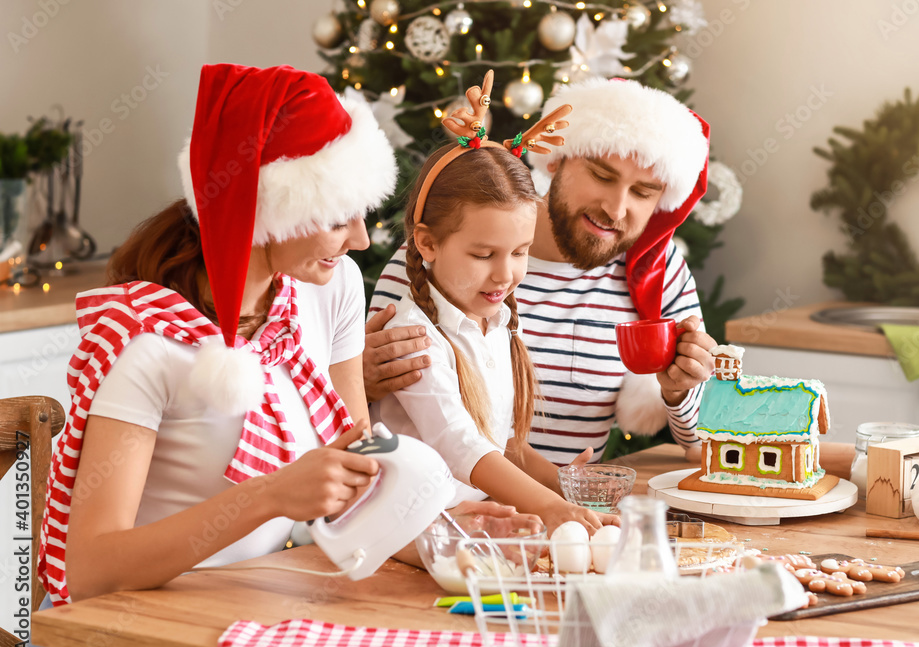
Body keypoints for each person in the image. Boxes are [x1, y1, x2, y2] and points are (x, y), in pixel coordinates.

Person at [36, 64, 403, 617]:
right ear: (273, 208)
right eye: (337, 217)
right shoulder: (147, 341)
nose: (359, 239)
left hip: (264, 604)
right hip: (141, 632)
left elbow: (355, 468)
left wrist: (450, 522)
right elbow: (90, 570)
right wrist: (271, 495)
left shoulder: (330, 289)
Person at [367, 77, 717, 465]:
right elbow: (363, 411)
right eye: (601, 176)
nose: (616, 209)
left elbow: (704, 443)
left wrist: (679, 391)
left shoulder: (657, 271)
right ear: (555, 159)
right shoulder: (448, 251)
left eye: (642, 192)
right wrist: (359, 378)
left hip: (564, 510)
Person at [370, 82, 613, 532]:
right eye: (484, 255)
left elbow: (499, 442)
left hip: (466, 524)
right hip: (405, 534)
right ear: (427, 243)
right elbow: (463, 446)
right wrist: (552, 508)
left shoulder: (495, 322)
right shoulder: (413, 335)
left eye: (520, 252)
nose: (506, 274)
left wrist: (561, 487)